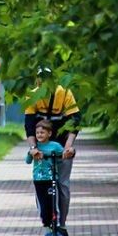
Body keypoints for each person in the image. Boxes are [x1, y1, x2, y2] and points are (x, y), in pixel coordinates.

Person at [23, 75, 79, 226]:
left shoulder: (65, 93)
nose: (43, 83)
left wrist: (68, 147)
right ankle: (47, 222)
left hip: (61, 147)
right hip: (42, 149)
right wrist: (33, 148)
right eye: (40, 80)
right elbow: (29, 125)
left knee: (63, 185)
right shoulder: (33, 95)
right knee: (41, 187)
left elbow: (75, 121)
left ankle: (62, 224)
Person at [25, 118, 66, 236]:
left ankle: (57, 225)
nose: (39, 135)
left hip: (51, 179)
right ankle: (47, 226)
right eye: (37, 133)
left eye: (42, 132)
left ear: (49, 133)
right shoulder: (35, 147)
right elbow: (27, 161)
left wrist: (63, 155)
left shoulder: (55, 146)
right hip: (38, 180)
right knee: (43, 205)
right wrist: (31, 152)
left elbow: (63, 155)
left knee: (53, 203)